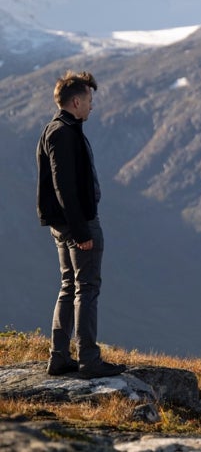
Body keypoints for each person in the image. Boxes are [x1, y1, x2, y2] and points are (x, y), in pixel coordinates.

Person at [37, 70, 126, 379]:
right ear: (76, 101)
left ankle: (59, 357)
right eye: (89, 100)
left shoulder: (59, 129)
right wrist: (81, 231)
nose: (92, 106)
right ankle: (89, 359)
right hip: (78, 225)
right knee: (86, 287)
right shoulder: (63, 132)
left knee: (69, 286)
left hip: (64, 225)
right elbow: (64, 186)